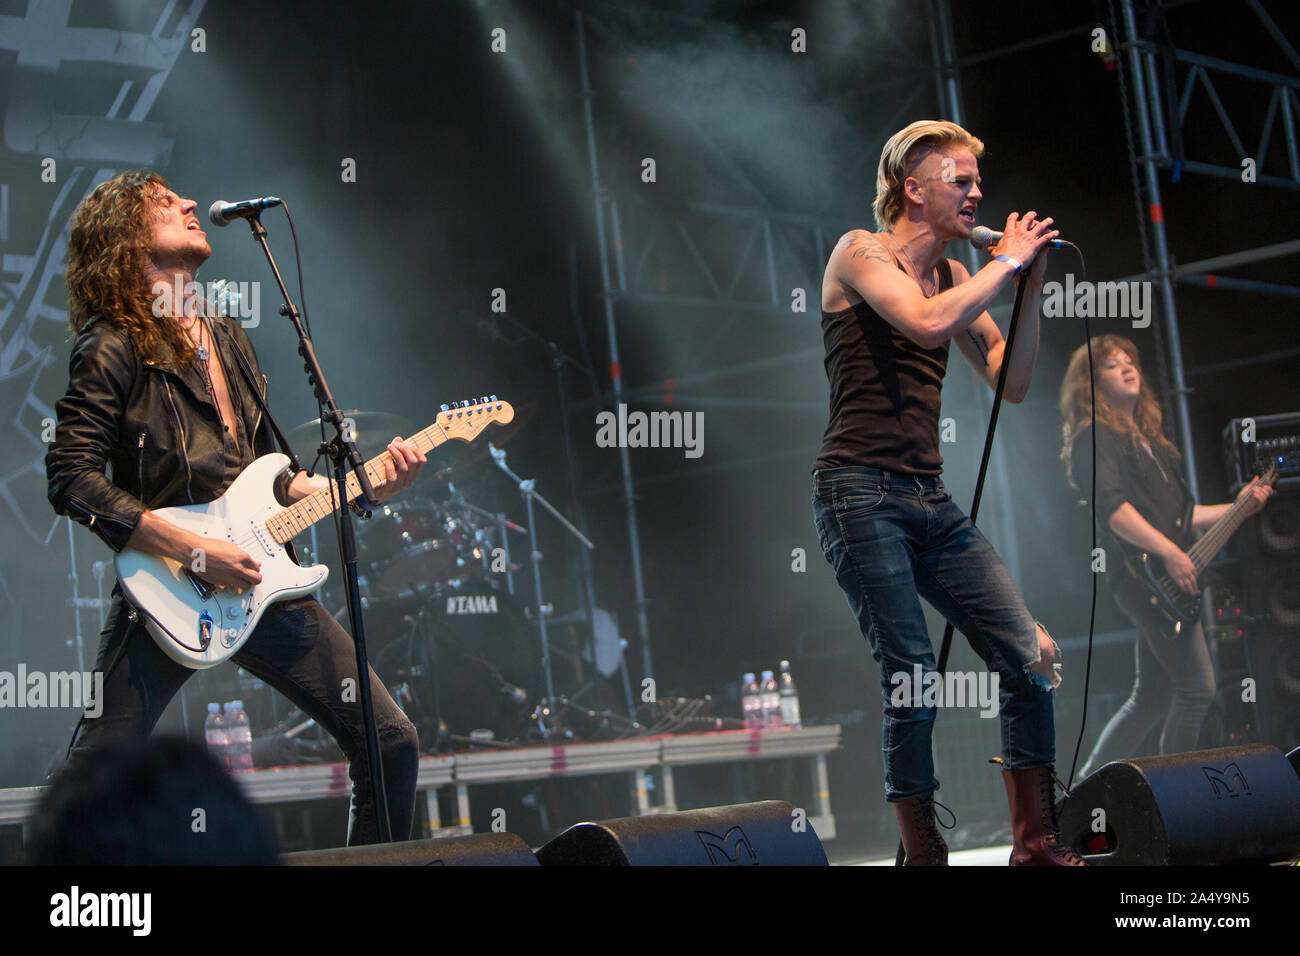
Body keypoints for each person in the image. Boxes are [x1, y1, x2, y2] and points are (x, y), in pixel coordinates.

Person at [45, 169, 425, 847]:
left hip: (258, 576)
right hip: (166, 587)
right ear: (126, 238)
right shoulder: (111, 345)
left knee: (390, 740)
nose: (190, 203)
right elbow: (70, 478)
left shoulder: (225, 334)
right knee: (90, 780)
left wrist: (364, 486)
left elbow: (271, 481)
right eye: (166, 203)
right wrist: (194, 550)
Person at [811, 119, 1083, 865]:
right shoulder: (860, 252)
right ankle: (922, 850)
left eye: (976, 180)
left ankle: (1035, 843)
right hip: (858, 493)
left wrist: (1025, 286)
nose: (975, 192)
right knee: (912, 672)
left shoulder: (961, 278)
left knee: (1028, 654)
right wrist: (1007, 262)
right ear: (913, 187)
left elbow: (1012, 381)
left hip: (929, 498)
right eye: (959, 180)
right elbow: (926, 326)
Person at [1060, 335, 1271, 778]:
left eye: (1129, 361)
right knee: (1197, 690)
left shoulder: (1152, 442)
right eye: (1112, 365)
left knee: (1151, 699)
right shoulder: (1094, 437)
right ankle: (1177, 796)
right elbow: (1114, 509)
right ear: (1091, 384)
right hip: (1147, 580)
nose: (1126, 367)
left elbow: (1187, 514)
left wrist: (1242, 505)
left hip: (1171, 580)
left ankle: (1083, 788)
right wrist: (1171, 553)